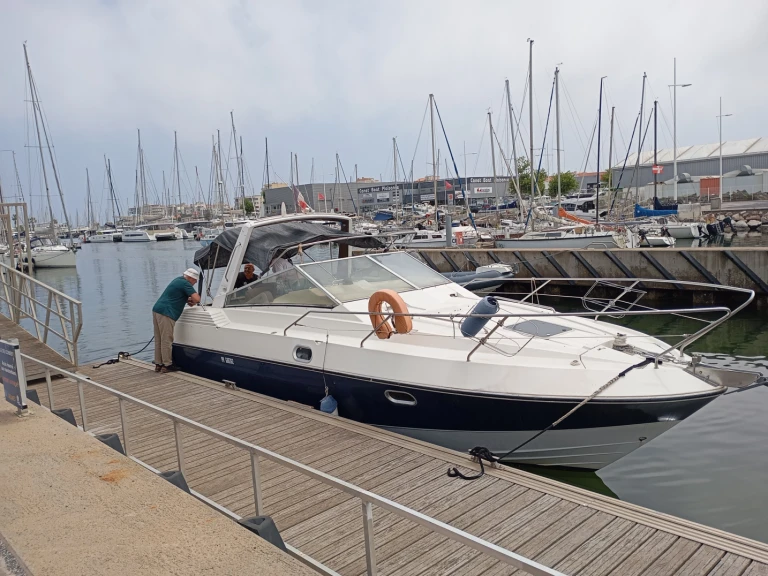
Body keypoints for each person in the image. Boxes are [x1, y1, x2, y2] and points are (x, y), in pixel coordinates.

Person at [152, 268, 201, 373]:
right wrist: (193, 300)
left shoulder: (177, 280)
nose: (195, 283)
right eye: (195, 281)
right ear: (191, 278)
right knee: (166, 339)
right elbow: (197, 299)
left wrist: (186, 300)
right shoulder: (185, 283)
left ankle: (158, 364)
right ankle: (167, 365)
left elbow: (176, 295)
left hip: (157, 310)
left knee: (159, 339)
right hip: (167, 313)